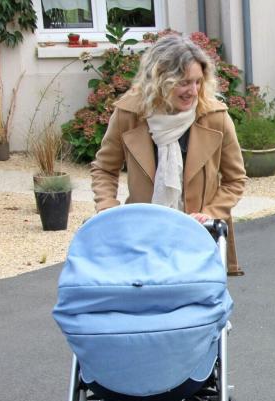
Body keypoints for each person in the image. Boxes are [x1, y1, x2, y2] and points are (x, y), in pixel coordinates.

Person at [91, 34, 247, 275]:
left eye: (198, 82)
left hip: (200, 236)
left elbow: (235, 180)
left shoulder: (216, 117)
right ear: (160, 80)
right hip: (142, 236)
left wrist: (209, 214)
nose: (193, 91)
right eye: (184, 83)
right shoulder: (128, 114)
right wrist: (109, 210)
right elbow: (104, 169)